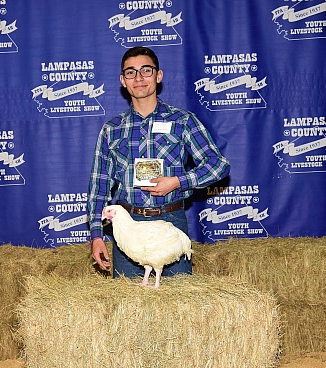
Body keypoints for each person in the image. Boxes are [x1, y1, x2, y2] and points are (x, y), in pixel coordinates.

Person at [87, 46, 230, 278]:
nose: (139, 78)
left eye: (146, 70)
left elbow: (218, 165)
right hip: (128, 227)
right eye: (131, 73)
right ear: (123, 80)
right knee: (129, 305)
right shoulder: (111, 130)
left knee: (177, 304)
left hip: (169, 224)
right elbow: (99, 187)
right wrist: (96, 235)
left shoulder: (183, 121)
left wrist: (178, 181)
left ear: (158, 75)